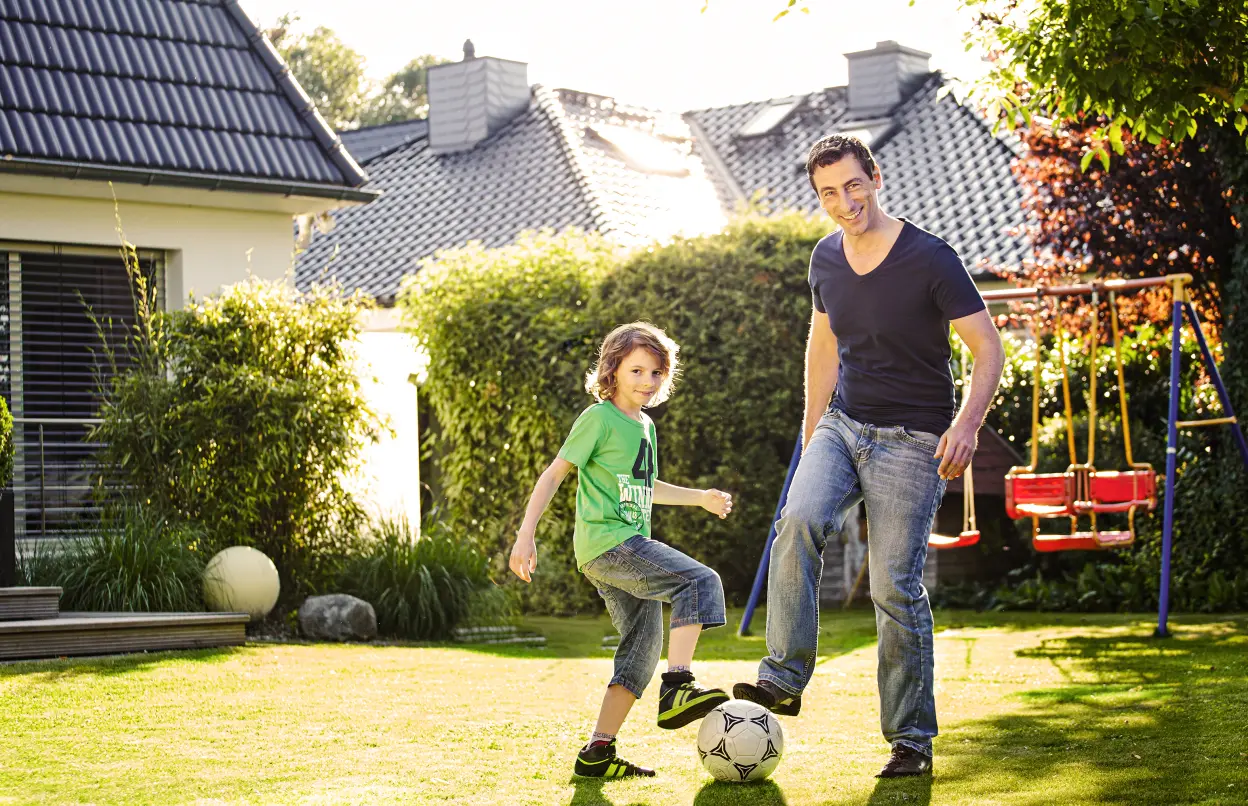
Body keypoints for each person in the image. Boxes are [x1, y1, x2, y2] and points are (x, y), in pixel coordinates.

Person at [733, 135, 1006, 778]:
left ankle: (910, 738)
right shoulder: (825, 259)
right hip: (842, 425)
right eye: (829, 193)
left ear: (875, 178)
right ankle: (784, 677)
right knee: (797, 521)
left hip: (914, 440)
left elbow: (988, 350)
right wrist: (809, 440)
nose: (844, 202)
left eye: (853, 186)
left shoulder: (932, 259)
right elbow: (821, 351)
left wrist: (967, 425)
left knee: (892, 585)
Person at [509, 322, 735, 779]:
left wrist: (700, 497)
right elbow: (554, 475)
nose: (646, 382)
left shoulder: (645, 426)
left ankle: (597, 751)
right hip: (610, 543)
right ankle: (678, 686)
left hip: (620, 549)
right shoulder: (599, 418)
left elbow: (645, 487)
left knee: (641, 649)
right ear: (611, 370)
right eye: (636, 370)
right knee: (700, 580)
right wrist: (525, 533)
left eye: (655, 373)